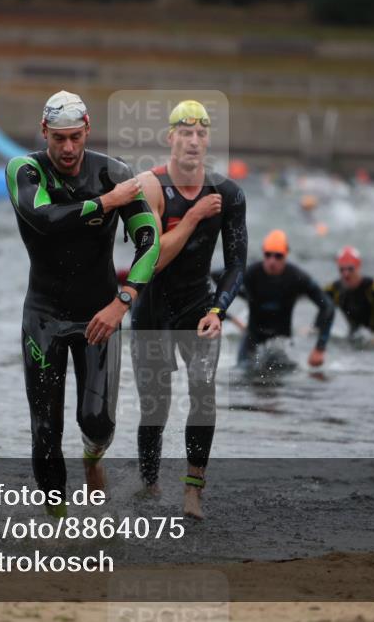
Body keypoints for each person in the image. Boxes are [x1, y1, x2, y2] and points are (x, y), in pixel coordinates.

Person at [5, 91, 160, 515]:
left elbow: (150, 242)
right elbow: (44, 219)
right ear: (44, 133)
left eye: (75, 137)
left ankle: (93, 457)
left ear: (88, 129)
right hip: (44, 317)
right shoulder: (25, 169)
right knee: (45, 430)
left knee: (97, 422)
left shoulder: (113, 172)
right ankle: (57, 523)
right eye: (59, 139)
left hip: (101, 316)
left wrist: (123, 301)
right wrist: (106, 203)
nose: (68, 149)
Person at [132, 100, 248, 520]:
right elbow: (153, 261)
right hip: (151, 310)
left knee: (203, 395)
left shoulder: (229, 194)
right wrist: (196, 215)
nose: (194, 141)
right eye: (186, 133)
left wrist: (218, 310)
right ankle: (149, 485)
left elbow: (237, 264)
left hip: (199, 306)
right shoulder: (149, 186)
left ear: (208, 140)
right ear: (170, 138)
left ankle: (193, 491)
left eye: (201, 134)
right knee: (155, 406)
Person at [235, 229, 334, 368]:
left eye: (278, 256)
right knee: (243, 377)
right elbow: (217, 276)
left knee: (285, 383)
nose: (272, 261)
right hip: (252, 340)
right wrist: (243, 297)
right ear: (263, 253)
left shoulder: (296, 277)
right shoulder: (251, 272)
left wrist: (320, 348)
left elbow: (327, 306)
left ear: (286, 254)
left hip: (281, 343)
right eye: (268, 255)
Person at [324, 246, 374, 338]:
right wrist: (316, 327)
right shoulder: (333, 289)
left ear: (358, 267)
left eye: (350, 269)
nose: (346, 274)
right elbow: (323, 309)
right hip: (357, 333)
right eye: (342, 269)